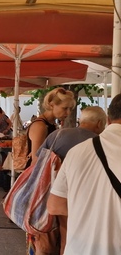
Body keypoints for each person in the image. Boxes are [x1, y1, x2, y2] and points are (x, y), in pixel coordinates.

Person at [47, 96, 121, 255]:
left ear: (108, 119)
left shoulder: (76, 152)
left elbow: (55, 205)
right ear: (101, 122)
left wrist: (88, 212)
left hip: (78, 248)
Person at [38, 106, 107, 255]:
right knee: (67, 239)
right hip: (74, 199)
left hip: (46, 194)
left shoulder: (58, 134)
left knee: (44, 241)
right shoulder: (99, 143)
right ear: (100, 123)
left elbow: (37, 160)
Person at [26, 87, 76, 255]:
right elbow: (37, 160)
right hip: (41, 184)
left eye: (70, 109)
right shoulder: (41, 126)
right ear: (52, 105)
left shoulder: (50, 125)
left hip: (48, 182)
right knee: (43, 235)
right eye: (65, 108)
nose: (68, 112)